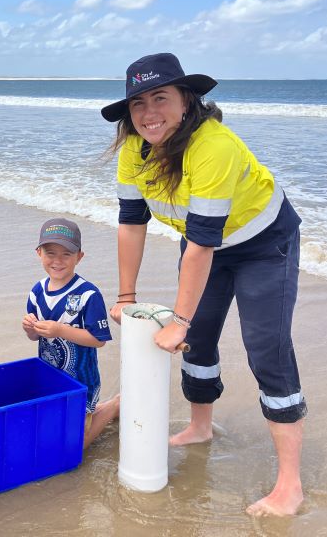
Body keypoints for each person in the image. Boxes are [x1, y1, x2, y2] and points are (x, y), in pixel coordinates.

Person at [103, 53, 306, 516]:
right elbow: (131, 223)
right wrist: (126, 296)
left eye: (161, 98)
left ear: (186, 100)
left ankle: (289, 485)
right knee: (197, 341)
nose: (149, 113)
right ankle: (200, 427)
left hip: (264, 244)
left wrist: (178, 319)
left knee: (266, 348)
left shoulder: (213, 147)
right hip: (207, 242)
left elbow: (201, 246)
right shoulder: (135, 151)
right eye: (138, 104)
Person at [22, 218, 119, 449]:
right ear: (38, 253)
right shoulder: (37, 292)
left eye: (66, 254)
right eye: (50, 253)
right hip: (50, 377)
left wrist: (60, 330)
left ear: (79, 257)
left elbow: (99, 340)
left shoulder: (88, 294)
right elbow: (36, 337)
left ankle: (114, 406)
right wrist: (30, 329)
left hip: (80, 380)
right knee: (51, 432)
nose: (57, 261)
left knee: (77, 444)